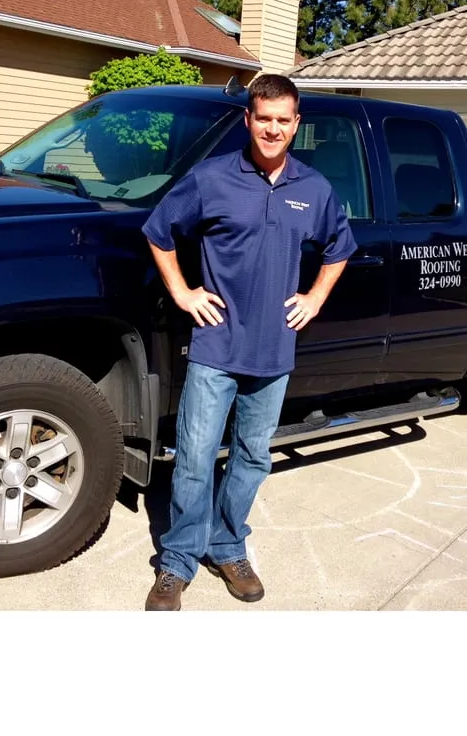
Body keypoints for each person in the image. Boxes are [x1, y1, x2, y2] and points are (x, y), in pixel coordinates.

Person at [140, 73, 357, 610]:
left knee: (252, 457)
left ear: (297, 124)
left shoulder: (313, 188)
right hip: (216, 345)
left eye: (284, 120)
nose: (273, 129)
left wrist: (314, 298)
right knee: (192, 455)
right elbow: (158, 232)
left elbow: (339, 247)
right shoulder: (211, 178)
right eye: (264, 119)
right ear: (248, 120)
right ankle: (177, 562)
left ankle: (228, 545)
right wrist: (184, 291)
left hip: (274, 349)